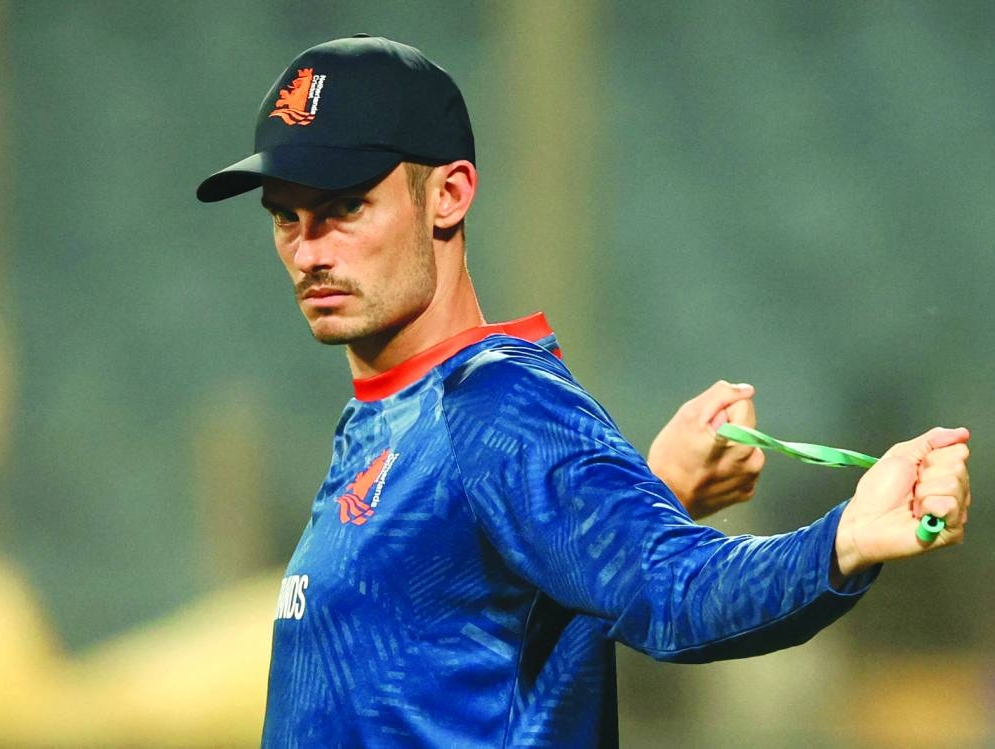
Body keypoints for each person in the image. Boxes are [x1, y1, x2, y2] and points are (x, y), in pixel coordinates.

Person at [196, 35, 971, 749]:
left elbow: (675, 590)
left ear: (450, 194)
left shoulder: (494, 406)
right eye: (286, 218)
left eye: (345, 208)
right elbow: (490, 602)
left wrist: (844, 539)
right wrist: (654, 490)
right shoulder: (390, 414)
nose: (309, 250)